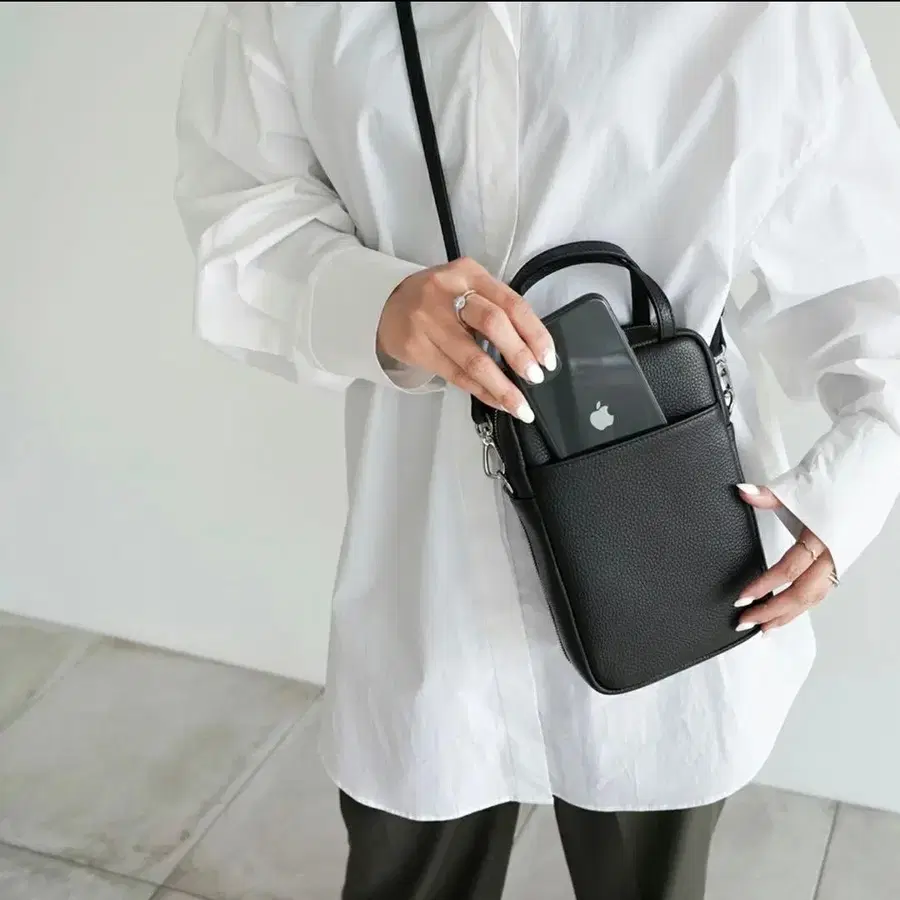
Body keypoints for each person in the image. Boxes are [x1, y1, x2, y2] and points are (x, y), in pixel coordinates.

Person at [175, 3, 900, 898]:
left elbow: (867, 277)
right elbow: (241, 210)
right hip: (427, 575)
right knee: (410, 859)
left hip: (670, 567)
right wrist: (379, 302)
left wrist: (848, 492)